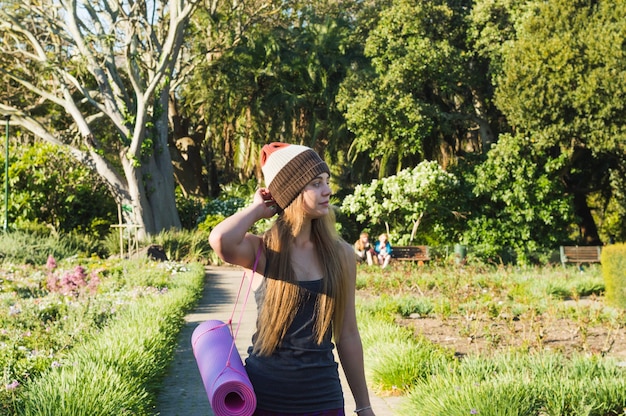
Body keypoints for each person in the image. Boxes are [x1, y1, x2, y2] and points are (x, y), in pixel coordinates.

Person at [209, 142, 375, 416]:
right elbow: (220, 240)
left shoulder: (341, 254)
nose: (328, 190)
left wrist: (364, 406)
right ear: (292, 192)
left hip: (323, 399)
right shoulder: (261, 250)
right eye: (316, 183)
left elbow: (347, 334)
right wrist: (257, 209)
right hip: (264, 400)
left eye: (327, 181)